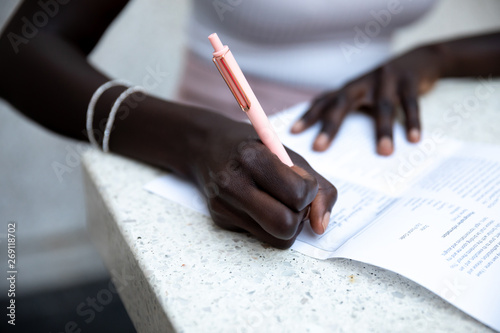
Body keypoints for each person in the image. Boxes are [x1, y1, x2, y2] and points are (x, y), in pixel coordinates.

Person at [1, 1, 499, 248]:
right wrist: (195, 141)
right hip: (213, 159)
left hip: (373, 141)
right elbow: (20, 53)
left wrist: (440, 56)